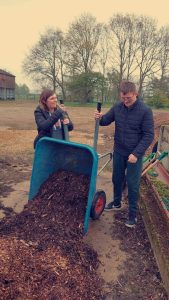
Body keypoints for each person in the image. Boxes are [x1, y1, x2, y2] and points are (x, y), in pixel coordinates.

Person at [94, 81, 154, 228]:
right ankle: (116, 202)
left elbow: (148, 135)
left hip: (134, 154)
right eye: (123, 98)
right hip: (119, 150)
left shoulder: (145, 110)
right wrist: (99, 117)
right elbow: (105, 121)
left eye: (128, 98)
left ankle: (132, 216)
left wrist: (136, 153)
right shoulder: (118, 107)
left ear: (135, 94)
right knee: (116, 179)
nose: (125, 101)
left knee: (133, 184)